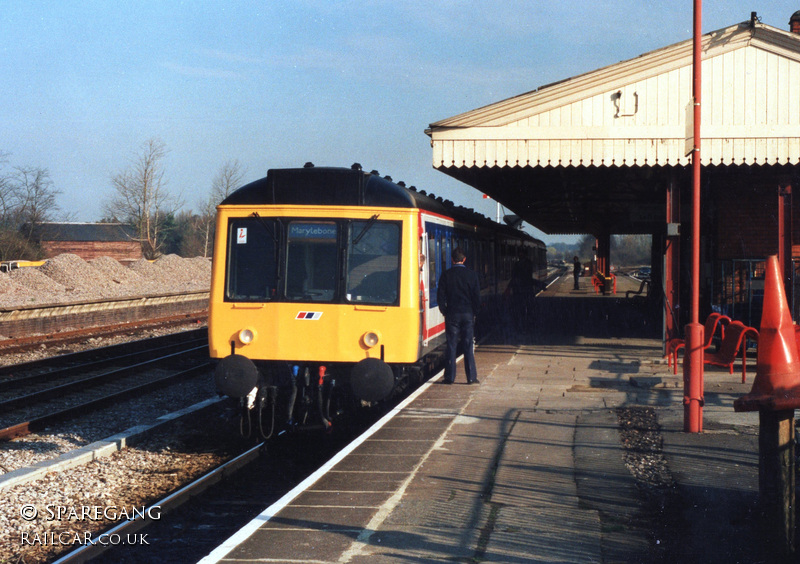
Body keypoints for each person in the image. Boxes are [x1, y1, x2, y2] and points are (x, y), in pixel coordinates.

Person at [437, 247, 481, 384]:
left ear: (452, 260)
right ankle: (471, 377)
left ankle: (449, 377)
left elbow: (440, 296)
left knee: (451, 345)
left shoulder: (446, 275)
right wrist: (474, 312)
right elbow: (476, 297)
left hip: (452, 314)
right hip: (467, 314)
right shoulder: (472, 275)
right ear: (464, 259)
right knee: (468, 345)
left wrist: (445, 311)